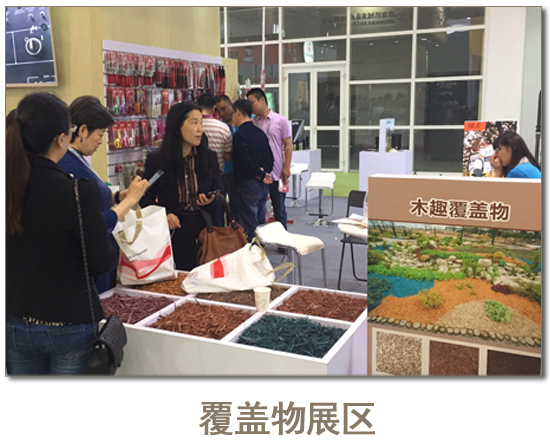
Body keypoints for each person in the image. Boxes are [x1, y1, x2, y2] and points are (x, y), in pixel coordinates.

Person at [6, 93, 117, 375]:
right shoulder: (76, 191)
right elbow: (101, 261)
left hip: (14, 319)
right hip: (69, 324)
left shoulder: (9, 187)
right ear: (61, 138)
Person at [58, 96, 149, 293]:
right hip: (89, 262)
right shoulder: (70, 166)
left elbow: (93, 199)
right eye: (100, 134)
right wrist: (130, 200)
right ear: (82, 130)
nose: (101, 141)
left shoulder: (77, 159)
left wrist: (119, 196)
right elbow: (94, 221)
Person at [140, 101, 224, 271]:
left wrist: (212, 200)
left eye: (201, 123)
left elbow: (221, 193)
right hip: (173, 230)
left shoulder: (209, 157)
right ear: (178, 126)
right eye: (194, 123)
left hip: (205, 230)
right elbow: (144, 196)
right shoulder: (158, 160)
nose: (200, 129)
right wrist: (163, 214)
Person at [247, 88, 292, 229]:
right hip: (260, 173)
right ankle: (261, 238)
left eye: (252, 102)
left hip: (277, 172)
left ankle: (283, 238)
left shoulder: (280, 120)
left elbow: (288, 145)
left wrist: (286, 167)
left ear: (262, 100)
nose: (250, 107)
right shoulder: (252, 123)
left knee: (279, 209)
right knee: (259, 208)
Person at [231, 99, 274, 241]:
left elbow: (245, 161)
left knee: (249, 221)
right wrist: (264, 172)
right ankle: (261, 247)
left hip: (248, 182)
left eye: (232, 113)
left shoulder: (240, 135)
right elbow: (270, 157)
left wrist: (259, 173)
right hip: (263, 183)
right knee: (261, 218)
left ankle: (254, 249)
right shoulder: (260, 133)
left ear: (238, 112)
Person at [197, 93, 232, 176]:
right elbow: (228, 157)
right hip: (218, 173)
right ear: (214, 108)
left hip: (196, 172)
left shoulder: (192, 126)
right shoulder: (223, 128)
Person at [215, 94, 238, 212]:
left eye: (224, 109)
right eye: (218, 111)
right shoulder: (220, 128)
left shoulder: (245, 122)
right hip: (225, 171)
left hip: (242, 172)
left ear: (231, 105)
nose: (221, 113)